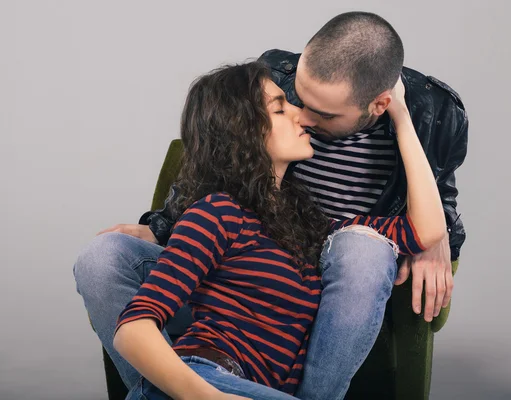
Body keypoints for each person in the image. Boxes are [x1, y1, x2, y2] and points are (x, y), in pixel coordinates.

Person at [74, 11, 468, 400]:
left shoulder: (315, 225)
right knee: (102, 255)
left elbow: (427, 228)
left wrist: (401, 117)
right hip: (208, 371)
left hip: (276, 337)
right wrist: (165, 226)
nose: (303, 116)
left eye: (323, 113)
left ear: (378, 103)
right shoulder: (220, 213)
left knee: (364, 249)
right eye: (288, 104)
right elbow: (137, 322)